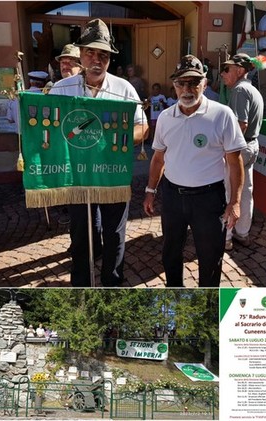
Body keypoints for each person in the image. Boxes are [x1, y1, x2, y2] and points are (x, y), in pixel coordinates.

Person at [49, 19, 149, 287]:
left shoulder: (124, 88)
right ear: (81, 55)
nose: (96, 59)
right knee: (81, 233)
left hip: (112, 173)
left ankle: (112, 283)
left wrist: (111, 140)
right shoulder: (61, 89)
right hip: (78, 175)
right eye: (90, 52)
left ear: (109, 59)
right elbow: (50, 128)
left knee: (115, 233)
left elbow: (142, 127)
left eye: (103, 54)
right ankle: (81, 283)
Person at [143, 55, 247, 286]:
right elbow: (158, 158)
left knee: (210, 257)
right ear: (174, 86)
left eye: (194, 82)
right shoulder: (165, 118)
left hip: (209, 199)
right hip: (172, 197)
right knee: (170, 252)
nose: (187, 89)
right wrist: (151, 190)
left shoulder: (222, 115)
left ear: (205, 84)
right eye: (181, 83)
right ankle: (175, 296)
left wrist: (236, 202)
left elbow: (234, 161)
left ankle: (208, 306)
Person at [220, 53, 264, 251]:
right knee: (246, 192)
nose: (222, 73)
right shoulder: (252, 89)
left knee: (229, 191)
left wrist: (227, 148)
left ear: (239, 70)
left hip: (240, 148)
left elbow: (241, 124)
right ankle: (243, 233)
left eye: (226, 69)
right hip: (251, 146)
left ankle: (226, 237)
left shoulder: (239, 90)